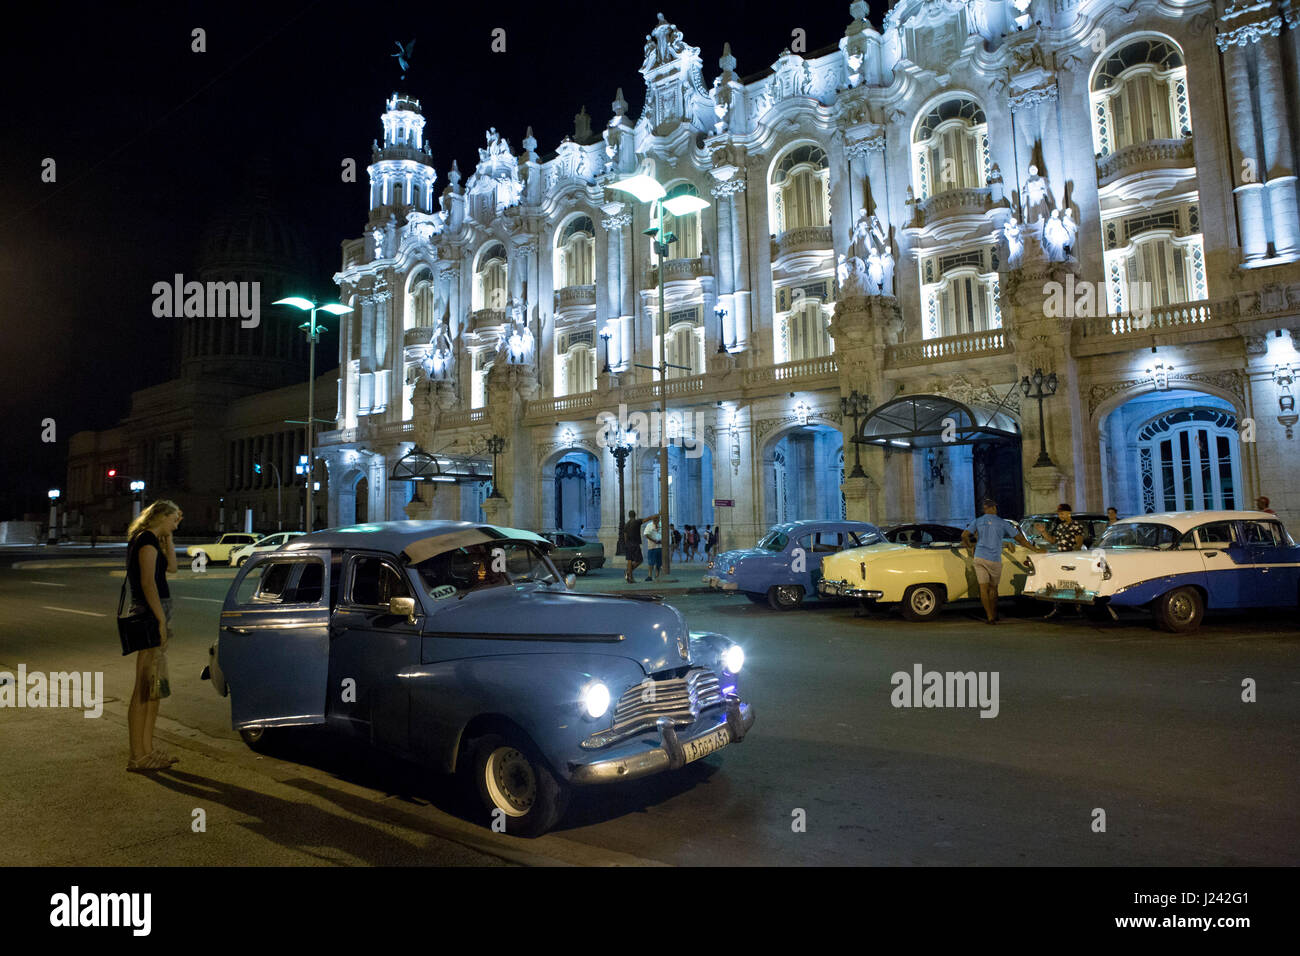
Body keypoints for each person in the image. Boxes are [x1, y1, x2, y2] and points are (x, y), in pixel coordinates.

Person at [124, 500, 183, 772]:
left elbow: (172, 568)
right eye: (174, 519)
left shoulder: (153, 539)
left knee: (153, 689)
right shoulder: (145, 540)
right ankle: (138, 755)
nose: (177, 523)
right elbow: (148, 583)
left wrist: (168, 537)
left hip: (155, 613)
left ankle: (147, 751)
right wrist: (160, 620)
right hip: (149, 615)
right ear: (161, 515)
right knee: (144, 688)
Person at [962, 499, 1043, 624]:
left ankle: (989, 616)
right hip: (994, 559)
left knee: (983, 588)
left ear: (984, 509)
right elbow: (1020, 539)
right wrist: (1035, 549)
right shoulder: (1002, 523)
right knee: (993, 588)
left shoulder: (977, 521)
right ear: (994, 508)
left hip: (979, 557)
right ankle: (994, 614)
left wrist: (970, 546)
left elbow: (964, 535)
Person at [622, 510, 643, 584]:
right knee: (639, 560)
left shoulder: (626, 524)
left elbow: (625, 536)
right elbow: (647, 519)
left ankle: (629, 576)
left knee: (629, 560)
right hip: (635, 544)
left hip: (628, 544)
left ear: (629, 515)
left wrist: (626, 544)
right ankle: (628, 572)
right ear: (635, 515)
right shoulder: (637, 522)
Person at [643, 516, 663, 582]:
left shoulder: (662, 525)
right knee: (651, 562)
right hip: (652, 546)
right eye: (654, 519)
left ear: (659, 519)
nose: (655, 520)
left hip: (660, 546)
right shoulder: (649, 525)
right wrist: (653, 540)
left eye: (656, 519)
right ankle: (650, 576)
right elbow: (646, 534)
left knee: (659, 562)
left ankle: (657, 575)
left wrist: (662, 540)